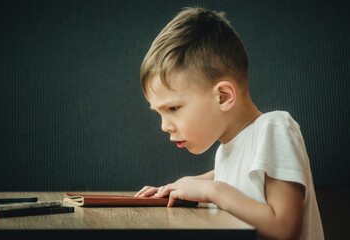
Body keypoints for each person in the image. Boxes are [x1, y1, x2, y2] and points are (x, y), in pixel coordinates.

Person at [135, 7, 324, 240]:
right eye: (160, 113)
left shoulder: (274, 127)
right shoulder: (228, 150)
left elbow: (284, 229)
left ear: (223, 96)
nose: (165, 126)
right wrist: (179, 186)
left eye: (173, 108)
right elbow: (237, 173)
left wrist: (211, 190)